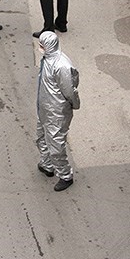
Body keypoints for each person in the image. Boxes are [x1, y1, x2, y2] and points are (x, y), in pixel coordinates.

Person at [35, 31, 80, 192]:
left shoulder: (61, 65)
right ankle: (47, 165)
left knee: (56, 145)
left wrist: (73, 105)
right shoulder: (47, 59)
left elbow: (70, 90)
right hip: (45, 108)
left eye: (41, 44)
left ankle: (65, 175)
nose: (39, 47)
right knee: (41, 137)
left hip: (56, 112)